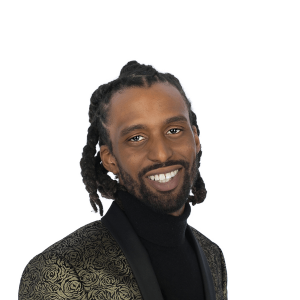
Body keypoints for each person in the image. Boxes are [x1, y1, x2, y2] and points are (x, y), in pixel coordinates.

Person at [19, 61, 228, 300]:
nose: (161, 153)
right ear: (110, 159)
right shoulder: (60, 271)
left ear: (196, 139)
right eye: (137, 137)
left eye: (174, 131)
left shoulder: (212, 256)